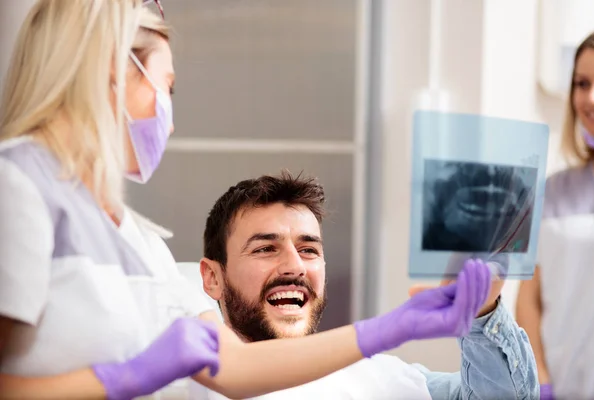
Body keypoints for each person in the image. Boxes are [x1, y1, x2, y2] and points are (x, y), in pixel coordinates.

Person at [0, 1, 509, 399]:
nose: (169, 120)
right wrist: (120, 379)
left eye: (309, 248)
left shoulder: (137, 239)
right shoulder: (17, 186)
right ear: (110, 69)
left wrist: (395, 327)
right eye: (166, 88)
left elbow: (234, 370)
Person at [194, 171, 540, 399]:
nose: (295, 266)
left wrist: (482, 309)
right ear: (213, 277)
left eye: (308, 249)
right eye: (266, 249)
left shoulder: (383, 380)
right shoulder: (188, 383)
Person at [516, 30, 594, 400]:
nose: (592, 97)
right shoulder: (552, 191)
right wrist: (542, 379)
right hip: (563, 388)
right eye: (582, 83)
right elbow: (528, 300)